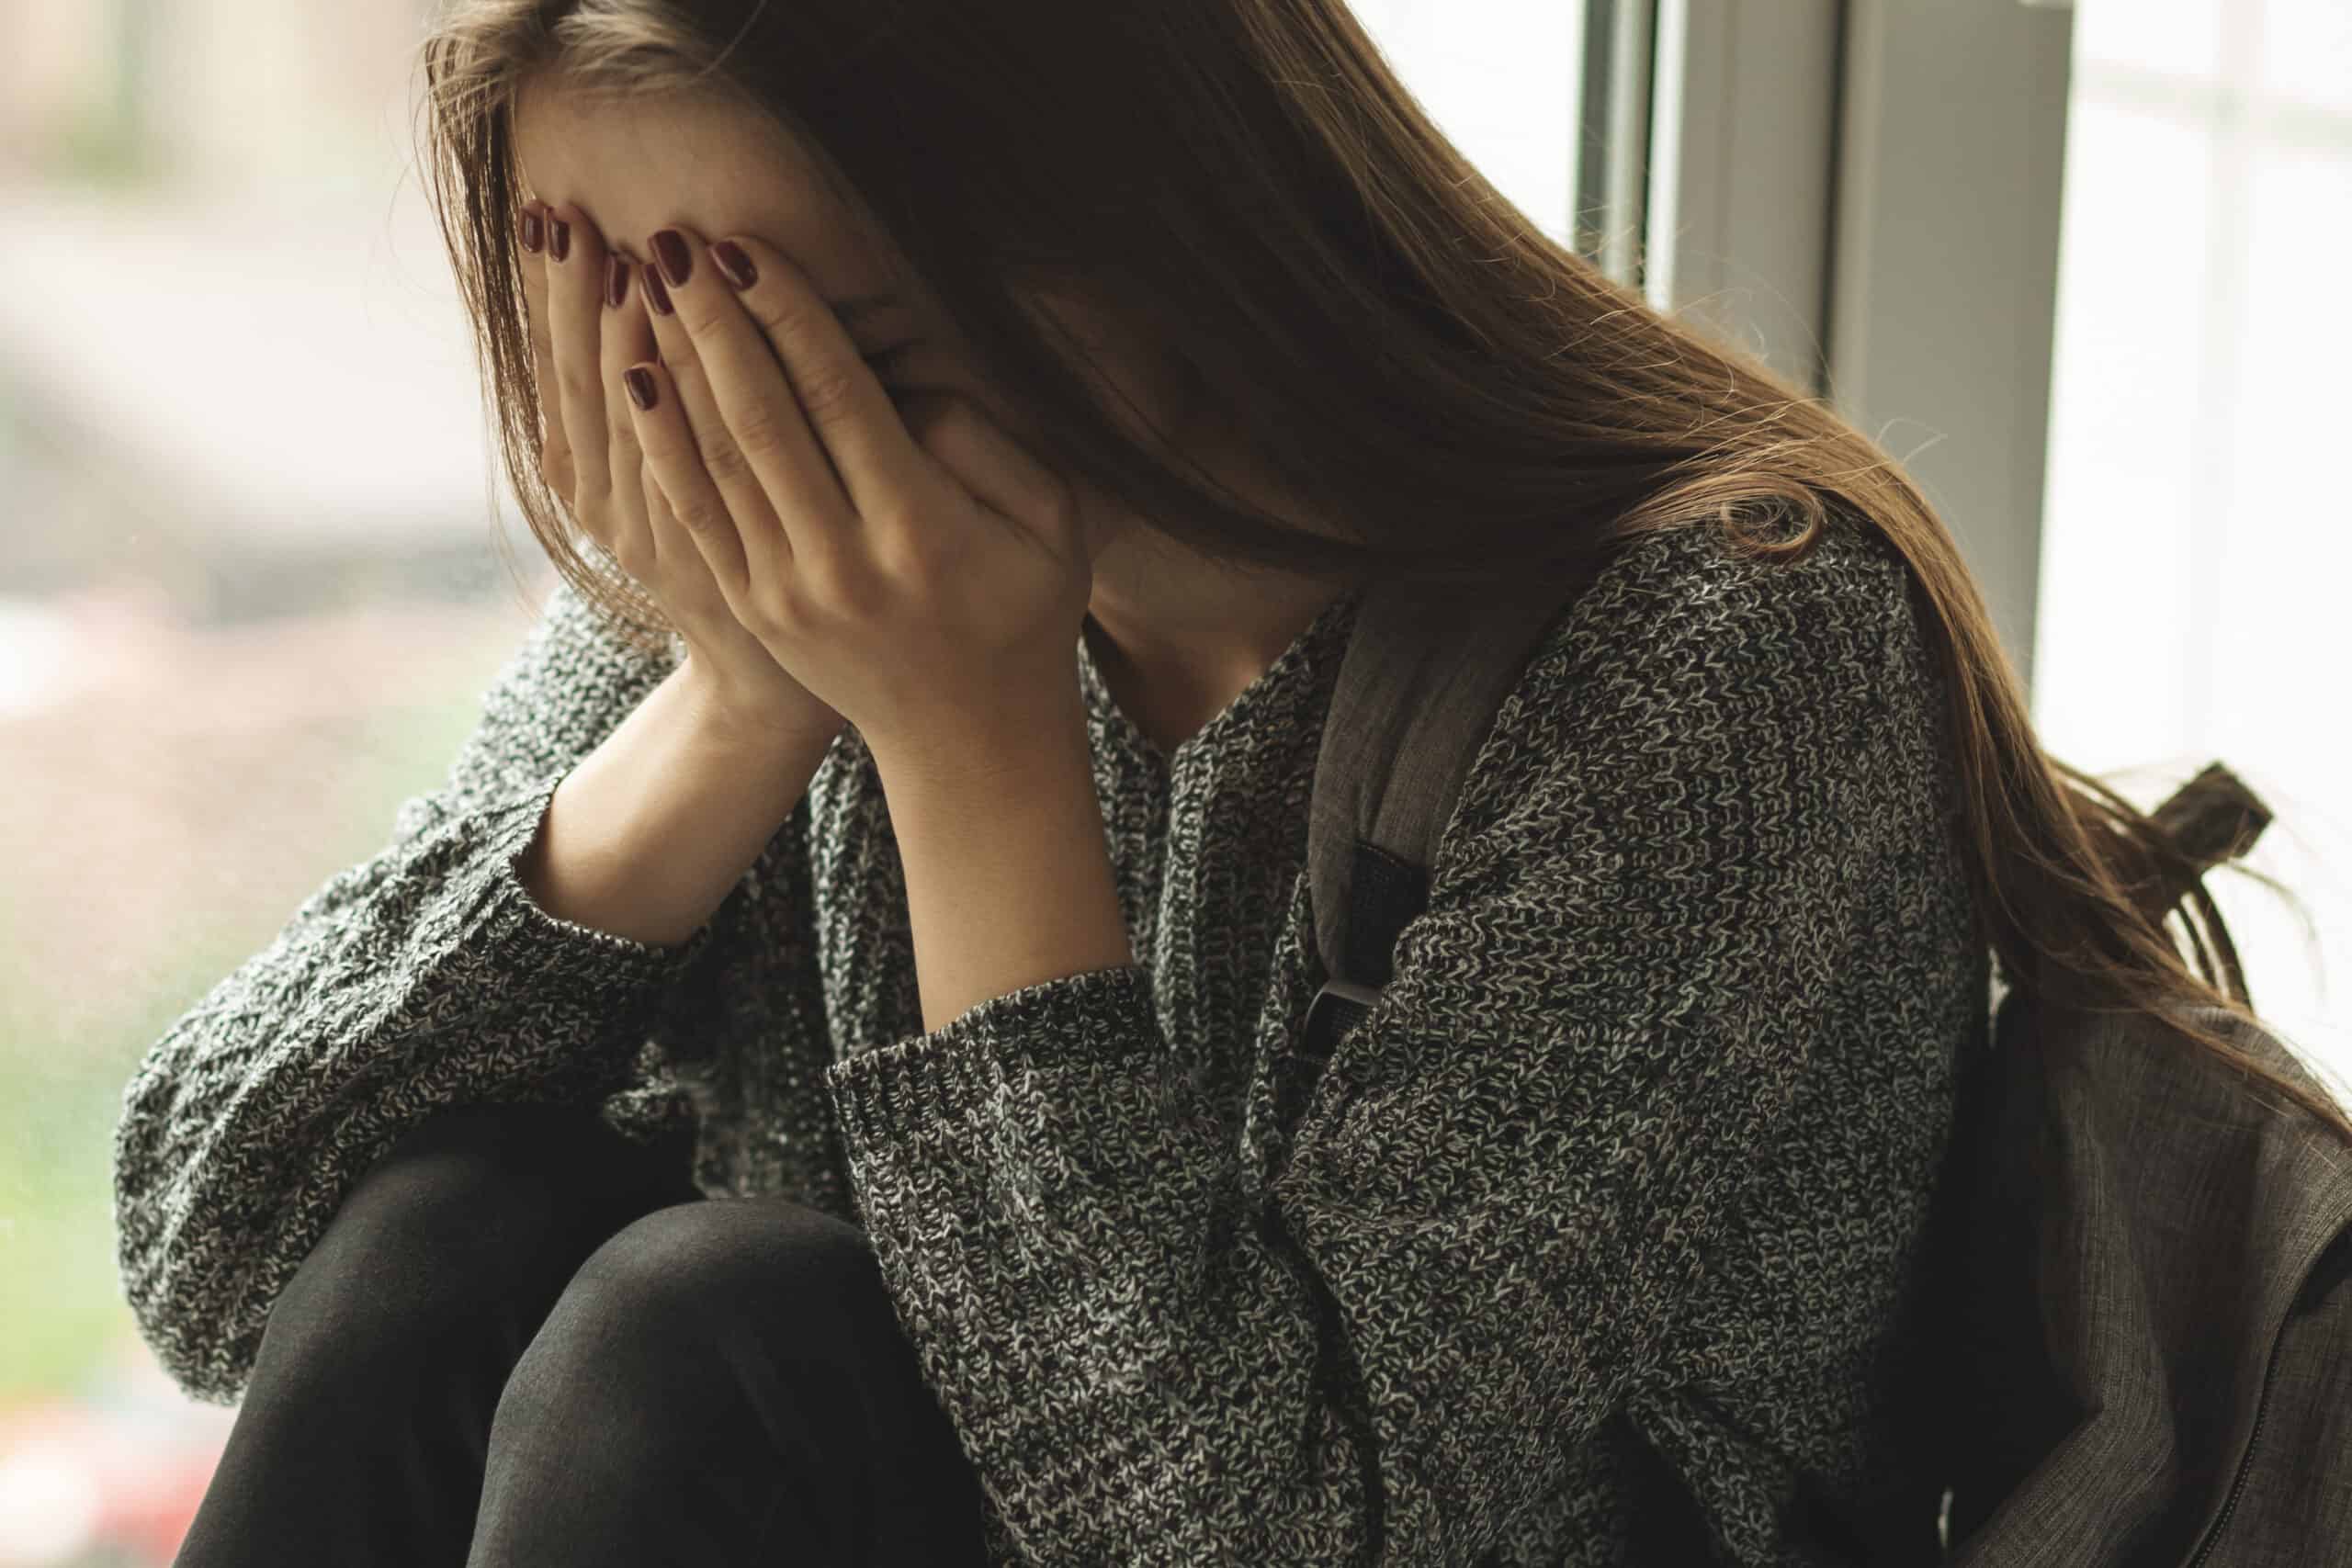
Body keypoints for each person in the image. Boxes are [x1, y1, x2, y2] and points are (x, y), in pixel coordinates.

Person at [112, 2, 2320, 1564]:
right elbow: (225, 1266)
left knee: (715, 1331)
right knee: (449, 1222)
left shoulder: (1708, 658)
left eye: (821, 360)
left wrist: (966, 740)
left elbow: (1263, 1531)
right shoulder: (762, 569)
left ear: (1138, 228)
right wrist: (727, 707)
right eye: (642, 353)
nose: (732, 455)